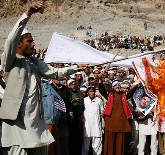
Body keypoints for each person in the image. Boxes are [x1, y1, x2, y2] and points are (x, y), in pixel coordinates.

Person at [0, 2, 86, 154]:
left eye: (33, 40)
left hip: (36, 123)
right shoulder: (11, 61)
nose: (34, 44)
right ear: (19, 45)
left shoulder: (35, 63)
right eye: (29, 41)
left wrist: (76, 68)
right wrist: (28, 13)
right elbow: (11, 39)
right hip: (18, 123)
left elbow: (55, 73)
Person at [82, 86, 104, 155]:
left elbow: (102, 111)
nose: (92, 93)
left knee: (97, 147)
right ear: (87, 92)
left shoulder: (99, 100)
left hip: (96, 126)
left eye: (93, 91)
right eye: (90, 91)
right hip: (87, 126)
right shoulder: (84, 100)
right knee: (85, 147)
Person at [68, 80, 85, 155]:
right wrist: (72, 102)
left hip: (78, 116)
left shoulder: (79, 93)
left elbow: (82, 106)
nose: (73, 86)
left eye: (75, 84)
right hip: (70, 117)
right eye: (72, 84)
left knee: (78, 137)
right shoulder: (67, 93)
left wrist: (82, 117)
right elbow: (66, 104)